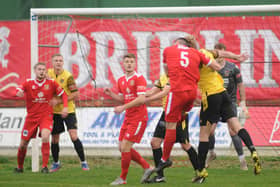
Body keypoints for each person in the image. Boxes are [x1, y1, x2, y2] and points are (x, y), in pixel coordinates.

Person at [191, 35, 261, 183]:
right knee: (237, 126)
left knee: (204, 134)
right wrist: (237, 57)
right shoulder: (206, 51)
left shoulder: (193, 60)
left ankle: (202, 171)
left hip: (210, 96)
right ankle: (253, 151)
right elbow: (223, 54)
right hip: (224, 94)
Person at [153, 36, 222, 175]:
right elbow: (216, 66)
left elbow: (167, 71)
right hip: (191, 94)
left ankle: (165, 159)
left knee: (171, 126)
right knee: (180, 118)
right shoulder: (197, 53)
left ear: (176, 43)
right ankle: (197, 170)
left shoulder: (168, 50)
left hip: (177, 91)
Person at [104, 53, 154, 185]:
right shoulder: (121, 80)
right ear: (123, 64)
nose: (129, 64)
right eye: (127, 62)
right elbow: (123, 98)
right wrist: (112, 95)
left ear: (135, 64)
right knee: (122, 147)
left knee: (126, 146)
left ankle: (123, 178)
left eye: (131, 61)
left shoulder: (139, 78)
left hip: (139, 117)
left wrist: (123, 107)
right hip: (128, 117)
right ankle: (147, 167)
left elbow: (142, 98)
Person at [145, 72, 199, 183]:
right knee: (155, 143)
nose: (167, 65)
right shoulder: (163, 77)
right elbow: (151, 92)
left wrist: (146, 100)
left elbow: (164, 92)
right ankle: (160, 177)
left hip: (178, 113)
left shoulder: (179, 77)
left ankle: (200, 172)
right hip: (166, 113)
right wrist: (140, 95)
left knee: (185, 145)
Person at [14, 62, 68, 173]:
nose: (42, 71)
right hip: (31, 118)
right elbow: (19, 89)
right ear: (35, 71)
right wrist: (18, 92)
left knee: (45, 136)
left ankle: (44, 167)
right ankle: (19, 167)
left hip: (46, 116)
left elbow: (64, 94)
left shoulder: (51, 83)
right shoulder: (28, 83)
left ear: (46, 72)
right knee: (23, 144)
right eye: (39, 69)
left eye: (43, 69)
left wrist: (65, 107)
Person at [205, 43, 249, 170]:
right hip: (215, 103)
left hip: (230, 103)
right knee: (209, 130)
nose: (218, 53)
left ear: (224, 52)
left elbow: (240, 85)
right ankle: (212, 153)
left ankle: (242, 160)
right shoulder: (210, 66)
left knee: (233, 131)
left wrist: (243, 102)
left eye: (220, 51)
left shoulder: (233, 68)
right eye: (216, 51)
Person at [47, 53, 89, 172]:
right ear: (52, 62)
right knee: (55, 139)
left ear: (63, 62)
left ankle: (84, 162)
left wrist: (59, 101)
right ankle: (56, 163)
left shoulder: (68, 76)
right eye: (56, 61)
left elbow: (76, 94)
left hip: (68, 110)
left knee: (73, 135)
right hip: (54, 112)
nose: (58, 63)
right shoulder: (48, 74)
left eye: (60, 60)